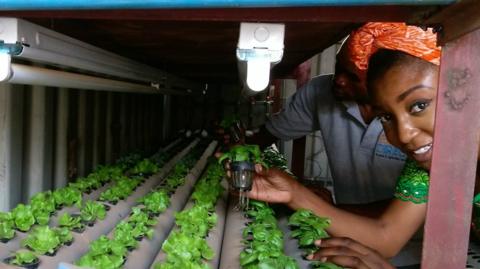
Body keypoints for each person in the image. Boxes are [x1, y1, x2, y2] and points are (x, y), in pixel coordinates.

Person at [247, 23, 446, 267]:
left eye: (419, 105)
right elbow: (387, 236)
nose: (403, 135)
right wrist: (293, 193)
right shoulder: (426, 165)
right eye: (386, 116)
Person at [250, 25, 407, 207]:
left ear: (384, 80)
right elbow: (269, 133)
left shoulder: (415, 120)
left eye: (353, 77)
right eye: (338, 67)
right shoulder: (321, 92)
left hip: (417, 234)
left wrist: (311, 201)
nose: (339, 80)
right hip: (347, 224)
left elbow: (405, 217)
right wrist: (238, 147)